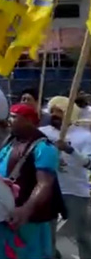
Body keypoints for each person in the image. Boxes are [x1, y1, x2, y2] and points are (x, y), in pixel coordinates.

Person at [0, 103, 65, 259]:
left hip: (25, 220)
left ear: (28, 120)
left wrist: (26, 209)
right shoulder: (11, 141)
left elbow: (45, 183)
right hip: (0, 215)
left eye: (14, 117)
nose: (9, 120)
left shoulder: (44, 147)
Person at [39, 96, 90, 259]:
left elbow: (89, 164)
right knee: (48, 234)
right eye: (52, 111)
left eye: (59, 111)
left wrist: (70, 150)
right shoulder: (43, 133)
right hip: (49, 189)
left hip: (74, 191)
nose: (54, 114)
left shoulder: (84, 136)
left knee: (82, 235)